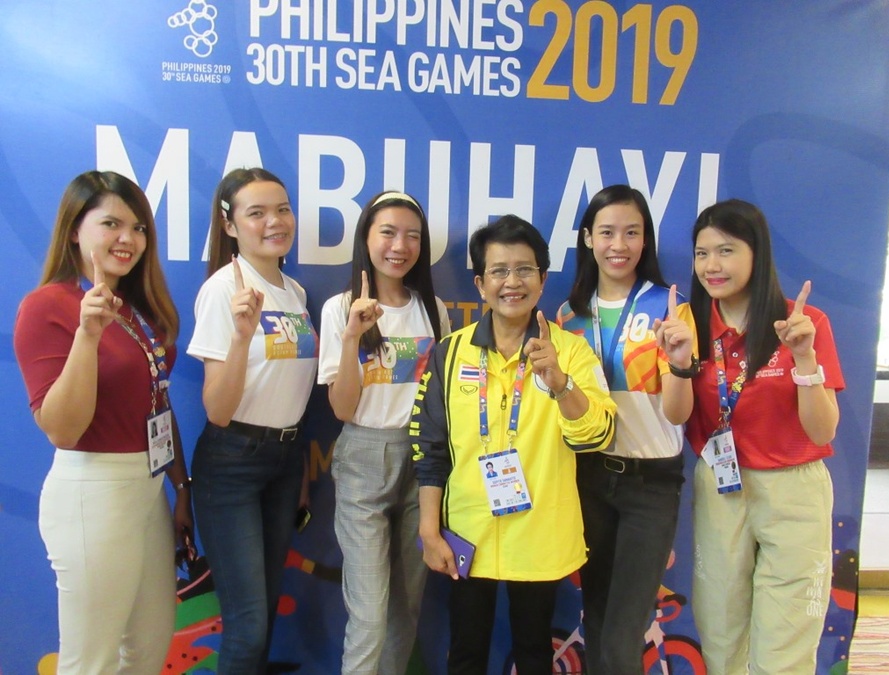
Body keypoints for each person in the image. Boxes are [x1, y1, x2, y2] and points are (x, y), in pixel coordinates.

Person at [412, 215, 617, 675]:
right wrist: (429, 528)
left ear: (543, 280)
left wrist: (561, 385)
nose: (512, 282)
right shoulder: (450, 352)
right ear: (481, 283)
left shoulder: (571, 352)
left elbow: (598, 436)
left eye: (525, 270)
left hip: (541, 534)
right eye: (500, 271)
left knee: (533, 653)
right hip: (469, 531)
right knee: (465, 653)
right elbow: (431, 449)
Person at [13, 170, 191, 673]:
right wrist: (86, 336)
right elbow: (62, 428)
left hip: (148, 491)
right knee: (91, 661)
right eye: (111, 223)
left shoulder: (135, 310)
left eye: (138, 228)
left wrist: (182, 487)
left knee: (148, 648)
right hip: (93, 492)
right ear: (75, 229)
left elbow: (158, 405)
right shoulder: (49, 306)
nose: (127, 239)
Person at [685, 199, 843, 674]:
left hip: (793, 486)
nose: (712, 266)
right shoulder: (689, 324)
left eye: (726, 251)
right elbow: (677, 413)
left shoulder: (804, 324)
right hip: (721, 483)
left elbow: (823, 429)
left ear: (758, 253)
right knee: (719, 631)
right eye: (702, 253)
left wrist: (804, 359)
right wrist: (675, 361)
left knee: (787, 638)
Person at [556, 185, 696, 674]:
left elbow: (678, 415)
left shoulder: (671, 307)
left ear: (646, 240)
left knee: (623, 628)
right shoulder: (569, 316)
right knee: (594, 616)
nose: (619, 244)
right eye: (608, 232)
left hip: (650, 483)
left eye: (632, 233)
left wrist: (680, 365)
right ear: (588, 238)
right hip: (588, 478)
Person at [188, 168, 318, 674]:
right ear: (230, 225)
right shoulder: (224, 292)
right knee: (248, 624)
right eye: (256, 212)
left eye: (282, 209)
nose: (274, 222)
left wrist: (299, 469)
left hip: (283, 462)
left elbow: (293, 390)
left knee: (263, 612)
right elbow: (218, 411)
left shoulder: (295, 293)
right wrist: (241, 336)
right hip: (233, 464)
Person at [318, 190, 450, 675]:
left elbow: (440, 401)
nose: (400, 246)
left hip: (423, 463)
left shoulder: (433, 309)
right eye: (388, 233)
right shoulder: (340, 309)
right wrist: (352, 336)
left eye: (412, 236)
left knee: (404, 611)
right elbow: (341, 408)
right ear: (366, 239)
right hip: (364, 457)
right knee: (370, 614)